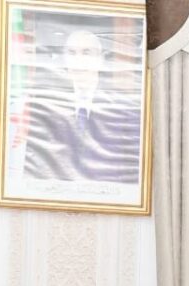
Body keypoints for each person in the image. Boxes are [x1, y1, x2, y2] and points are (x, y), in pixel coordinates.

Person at [22, 28, 143, 184]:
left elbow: (132, 170)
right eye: (72, 53)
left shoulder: (124, 109)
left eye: (86, 53)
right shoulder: (46, 106)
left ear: (100, 59)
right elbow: (37, 168)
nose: (78, 60)